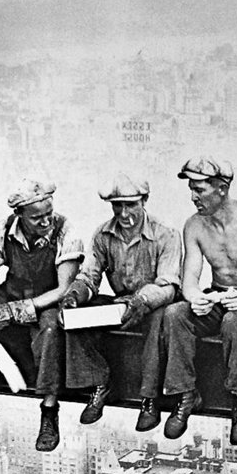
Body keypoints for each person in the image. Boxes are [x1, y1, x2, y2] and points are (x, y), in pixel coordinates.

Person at [0, 177, 84, 452]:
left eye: (48, 214)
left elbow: (63, 288)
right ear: (18, 215)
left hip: (47, 299)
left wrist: (14, 311)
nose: (45, 222)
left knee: (50, 329)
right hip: (13, 290)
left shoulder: (67, 231)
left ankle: (49, 409)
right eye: (36, 218)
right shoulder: (1, 230)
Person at [162, 157, 237, 445]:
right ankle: (186, 394)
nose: (193, 196)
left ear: (222, 188)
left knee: (233, 322)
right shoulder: (194, 226)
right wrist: (196, 298)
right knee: (175, 313)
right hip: (218, 295)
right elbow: (189, 278)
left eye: (199, 189)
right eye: (191, 189)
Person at [61, 174, 183, 430]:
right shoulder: (103, 234)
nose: (124, 213)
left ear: (144, 201)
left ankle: (148, 399)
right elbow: (90, 276)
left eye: (131, 205)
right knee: (75, 317)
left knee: (160, 318)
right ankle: (99, 382)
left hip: (152, 303)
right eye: (118, 205)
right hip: (121, 303)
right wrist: (75, 294)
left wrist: (141, 300)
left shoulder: (166, 234)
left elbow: (169, 284)